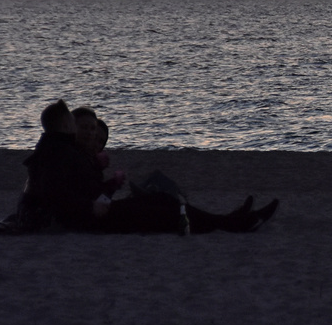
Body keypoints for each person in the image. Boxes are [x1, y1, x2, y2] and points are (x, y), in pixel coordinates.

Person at [21, 100, 277, 234]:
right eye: (80, 127)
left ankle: (231, 219)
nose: (87, 133)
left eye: (91, 129)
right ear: (67, 127)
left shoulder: (66, 151)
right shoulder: (58, 152)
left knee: (164, 200)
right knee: (166, 212)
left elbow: (80, 190)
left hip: (93, 215)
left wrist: (105, 187)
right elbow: (56, 195)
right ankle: (234, 223)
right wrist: (92, 203)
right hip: (88, 220)